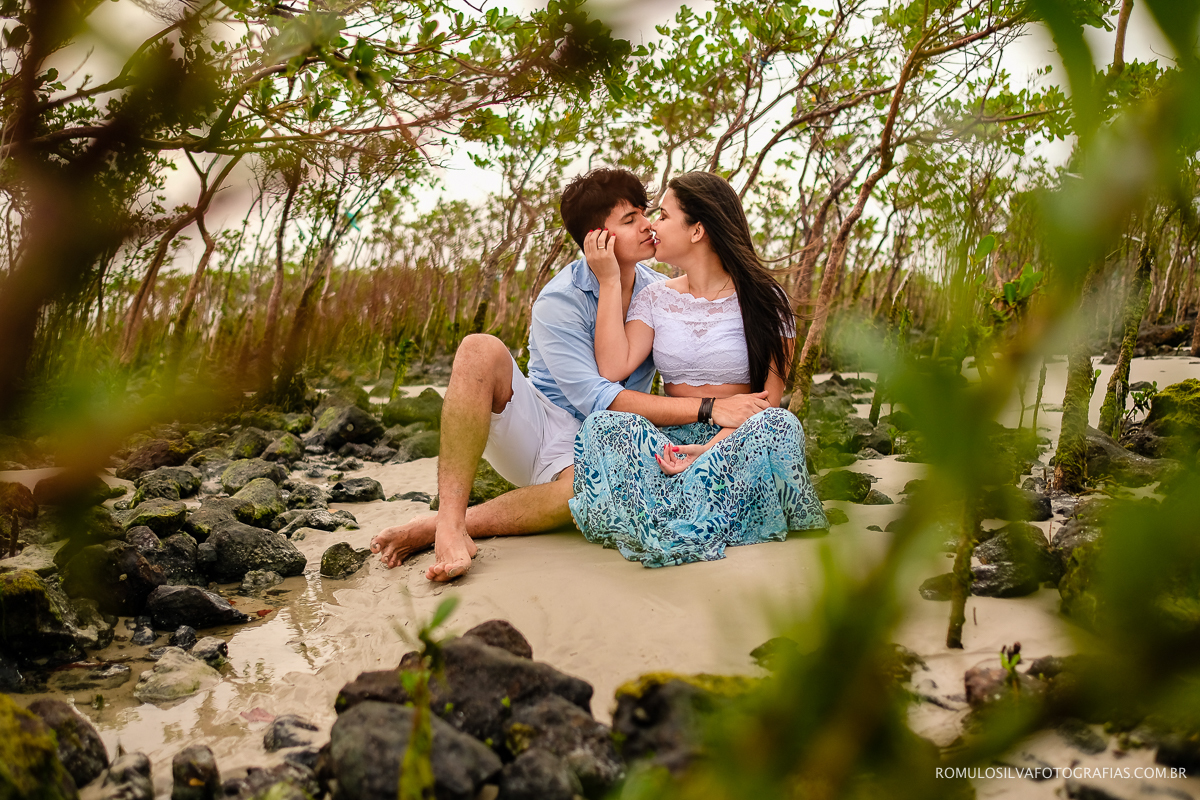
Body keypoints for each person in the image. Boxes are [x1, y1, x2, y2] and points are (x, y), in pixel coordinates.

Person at [370, 168, 773, 581]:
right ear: (596, 239)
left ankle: (439, 525)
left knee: (592, 486)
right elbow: (597, 395)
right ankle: (449, 524)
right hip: (541, 427)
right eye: (631, 220)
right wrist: (710, 407)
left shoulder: (658, 292)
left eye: (645, 214)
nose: (648, 226)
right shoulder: (560, 299)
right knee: (478, 349)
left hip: (610, 438)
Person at [568, 171, 827, 567]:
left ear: (697, 230)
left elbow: (769, 400)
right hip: (670, 439)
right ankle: (690, 511)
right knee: (604, 426)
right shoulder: (655, 297)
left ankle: (667, 514)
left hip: (738, 436)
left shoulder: (765, 298)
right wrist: (607, 281)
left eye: (664, 215)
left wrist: (706, 449)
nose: (652, 224)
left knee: (779, 426)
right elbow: (612, 366)